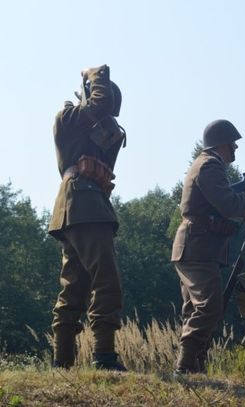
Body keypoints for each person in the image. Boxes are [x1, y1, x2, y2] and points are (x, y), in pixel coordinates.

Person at [48, 64, 127, 370]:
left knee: (74, 286)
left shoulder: (97, 129)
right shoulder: (69, 118)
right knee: (107, 280)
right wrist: (96, 74)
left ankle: (62, 361)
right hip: (83, 204)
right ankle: (104, 356)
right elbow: (101, 103)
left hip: (82, 206)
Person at [171, 119, 245, 374]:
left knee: (194, 309)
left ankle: (193, 366)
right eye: (232, 143)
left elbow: (225, 207)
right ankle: (185, 366)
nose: (235, 147)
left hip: (197, 247)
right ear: (222, 143)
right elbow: (230, 205)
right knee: (209, 306)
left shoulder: (209, 165)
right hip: (197, 248)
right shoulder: (210, 165)